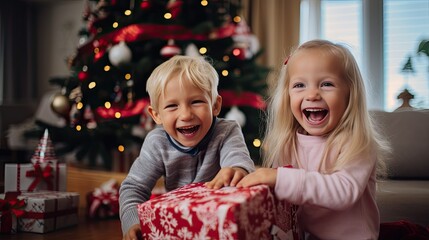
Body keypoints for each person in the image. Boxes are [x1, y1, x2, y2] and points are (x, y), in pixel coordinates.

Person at [237, 39, 390, 239]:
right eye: (300, 85)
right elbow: (286, 200)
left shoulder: (357, 142)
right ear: (288, 96)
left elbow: (343, 192)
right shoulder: (288, 142)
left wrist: (279, 177)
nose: (312, 94)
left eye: (326, 84)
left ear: (349, 94)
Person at [119, 55, 255, 240]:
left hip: (220, 222)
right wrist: (133, 222)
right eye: (172, 106)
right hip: (178, 225)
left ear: (215, 105)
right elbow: (133, 187)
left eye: (196, 102)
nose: (186, 115)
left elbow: (238, 159)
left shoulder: (226, 131)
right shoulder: (157, 142)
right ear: (156, 115)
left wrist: (235, 169)